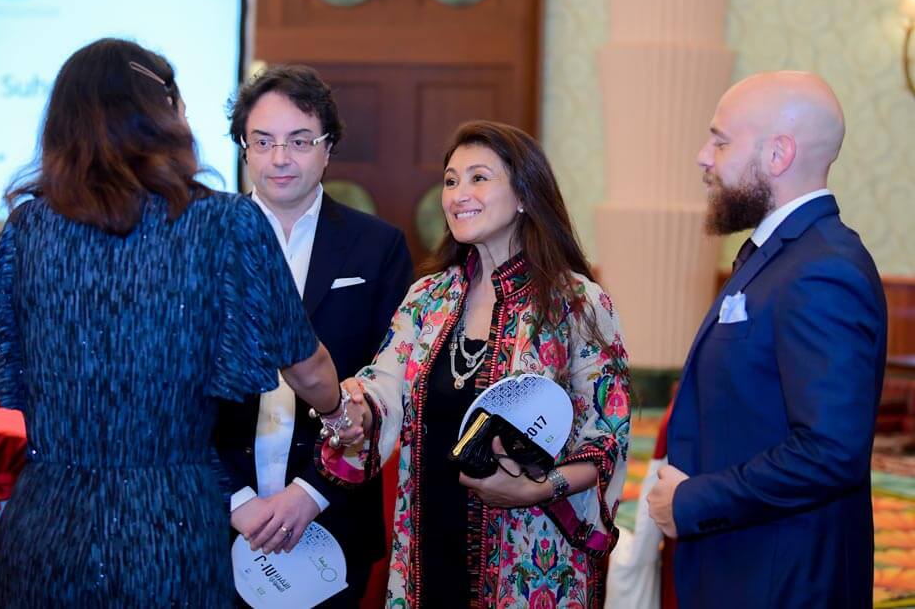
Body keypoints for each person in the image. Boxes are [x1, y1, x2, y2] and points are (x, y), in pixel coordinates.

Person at [0, 38, 356, 607]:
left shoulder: (28, 228)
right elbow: (306, 367)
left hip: (48, 518)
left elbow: (16, 370)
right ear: (165, 116)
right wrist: (340, 414)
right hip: (169, 523)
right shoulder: (224, 223)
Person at [321, 120, 631, 608]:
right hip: (428, 544)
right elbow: (381, 388)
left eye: (479, 178)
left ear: (525, 195)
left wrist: (538, 489)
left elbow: (607, 434)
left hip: (530, 554)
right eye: (450, 181)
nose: (458, 194)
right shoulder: (427, 297)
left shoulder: (576, 302)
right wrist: (347, 402)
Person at [647, 71, 888, 608]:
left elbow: (829, 452)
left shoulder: (823, 269)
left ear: (778, 154)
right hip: (743, 566)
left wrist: (692, 501)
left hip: (781, 581)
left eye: (720, 141)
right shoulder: (782, 254)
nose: (703, 157)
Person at [214, 65, 412, 606]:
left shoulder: (378, 247)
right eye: (263, 141)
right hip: (214, 516)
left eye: (300, 141)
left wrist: (311, 492)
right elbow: (173, 390)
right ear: (244, 149)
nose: (280, 158)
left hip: (334, 517)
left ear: (328, 149)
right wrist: (236, 502)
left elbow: (390, 382)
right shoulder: (200, 243)